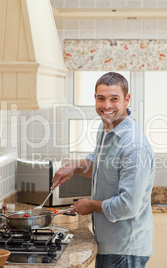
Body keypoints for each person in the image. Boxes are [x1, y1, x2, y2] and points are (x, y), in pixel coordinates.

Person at [51, 72, 155, 268]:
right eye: (101, 98)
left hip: (124, 249)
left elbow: (127, 205)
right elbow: (100, 164)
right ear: (95, 99)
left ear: (127, 99)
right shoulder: (106, 128)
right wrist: (73, 168)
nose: (106, 105)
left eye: (114, 99)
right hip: (109, 242)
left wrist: (90, 205)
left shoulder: (134, 146)